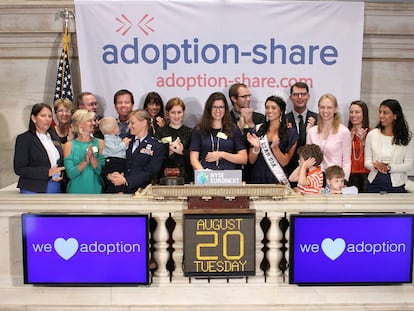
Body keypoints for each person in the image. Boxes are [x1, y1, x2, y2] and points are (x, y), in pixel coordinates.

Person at [107, 109, 165, 193]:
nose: (129, 126)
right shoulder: (121, 140)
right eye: (129, 123)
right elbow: (110, 160)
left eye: (132, 123)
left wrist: (127, 181)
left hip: (141, 193)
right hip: (116, 190)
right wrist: (110, 175)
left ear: (144, 123)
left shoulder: (156, 146)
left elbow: (151, 171)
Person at [14, 103, 65, 193]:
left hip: (55, 185)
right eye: (43, 116)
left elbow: (59, 161)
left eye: (50, 116)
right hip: (33, 188)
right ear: (33, 118)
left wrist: (60, 173)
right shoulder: (25, 139)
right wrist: (47, 172)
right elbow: (20, 169)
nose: (47, 119)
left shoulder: (54, 137)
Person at [364, 99, 413, 193]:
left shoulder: (407, 138)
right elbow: (367, 162)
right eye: (380, 112)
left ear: (395, 115)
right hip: (374, 183)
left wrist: (388, 168)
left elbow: (408, 165)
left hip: (397, 185)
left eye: (385, 113)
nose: (381, 116)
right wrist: (377, 167)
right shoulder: (372, 134)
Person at [246, 95, 297, 184]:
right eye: (267, 108)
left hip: (277, 179)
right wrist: (256, 148)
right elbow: (251, 160)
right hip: (258, 177)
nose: (269, 111)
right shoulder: (257, 130)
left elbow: (285, 162)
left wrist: (275, 148)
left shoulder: (290, 133)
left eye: (273, 108)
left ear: (281, 111)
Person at [190, 92, 247, 170]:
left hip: (230, 178)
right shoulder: (199, 130)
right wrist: (204, 174)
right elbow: (193, 159)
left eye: (221, 107)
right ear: (209, 108)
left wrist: (222, 154)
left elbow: (243, 159)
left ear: (225, 109)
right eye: (214, 107)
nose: (218, 111)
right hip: (206, 178)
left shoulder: (233, 129)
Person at [307, 93, 352, 181]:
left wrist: (344, 181)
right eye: (322, 107)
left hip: (335, 179)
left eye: (329, 107)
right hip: (315, 178)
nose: (325, 110)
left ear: (335, 109)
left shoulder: (344, 132)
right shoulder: (312, 132)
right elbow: (307, 159)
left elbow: (346, 161)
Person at [63, 109, 105, 194]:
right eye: (89, 121)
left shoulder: (100, 143)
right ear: (80, 124)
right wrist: (85, 161)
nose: (93, 123)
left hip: (96, 191)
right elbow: (70, 174)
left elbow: (100, 171)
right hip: (75, 192)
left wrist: (92, 158)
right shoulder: (69, 145)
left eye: (93, 120)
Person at [155, 97, 193, 183]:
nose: (176, 116)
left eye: (179, 112)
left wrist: (182, 151)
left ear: (183, 113)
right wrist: (169, 151)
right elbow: (155, 155)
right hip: (164, 177)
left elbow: (195, 156)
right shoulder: (161, 131)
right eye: (173, 112)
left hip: (186, 177)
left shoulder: (190, 132)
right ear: (168, 114)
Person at [285, 81, 318, 176]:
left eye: (303, 94)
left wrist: (311, 133)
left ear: (308, 96)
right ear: (291, 97)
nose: (300, 97)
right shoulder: (284, 120)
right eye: (296, 94)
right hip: (289, 171)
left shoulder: (318, 119)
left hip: (312, 172)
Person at [99, 116, 131, 193]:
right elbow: (114, 149)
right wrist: (123, 144)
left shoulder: (116, 137)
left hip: (120, 161)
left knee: (120, 175)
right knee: (115, 175)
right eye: (116, 125)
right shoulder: (108, 138)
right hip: (113, 161)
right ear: (113, 129)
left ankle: (119, 190)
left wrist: (125, 143)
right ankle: (117, 190)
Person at [348, 100, 370, 192]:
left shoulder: (372, 133)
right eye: (351, 112)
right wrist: (348, 140)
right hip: (348, 174)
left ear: (364, 114)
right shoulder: (345, 132)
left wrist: (364, 142)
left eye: (357, 112)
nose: (353, 115)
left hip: (366, 175)